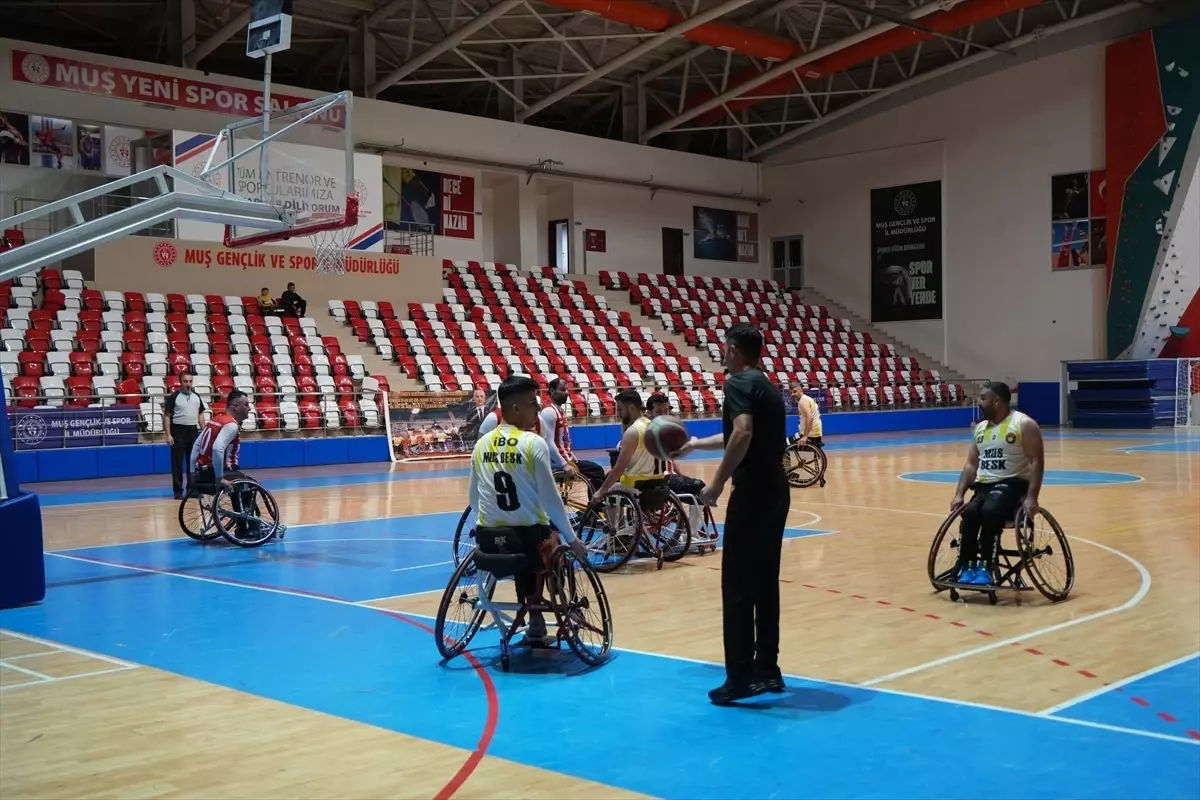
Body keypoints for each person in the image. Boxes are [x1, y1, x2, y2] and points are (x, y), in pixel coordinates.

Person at [674, 323, 789, 705]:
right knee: (764, 582)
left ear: (735, 350)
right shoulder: (768, 386)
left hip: (752, 493)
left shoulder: (737, 383)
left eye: (725, 348)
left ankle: (739, 677)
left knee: (737, 587)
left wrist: (718, 483)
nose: (722, 354)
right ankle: (767, 670)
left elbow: (742, 432)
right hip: (776, 491)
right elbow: (739, 434)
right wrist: (695, 444)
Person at [468, 376, 589, 646]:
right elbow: (551, 500)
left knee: (525, 549)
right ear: (515, 408)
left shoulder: (480, 445)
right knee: (554, 544)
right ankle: (558, 614)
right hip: (529, 537)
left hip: (488, 540)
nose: (537, 409)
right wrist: (573, 539)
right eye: (532, 403)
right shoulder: (533, 444)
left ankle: (533, 619)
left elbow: (474, 502)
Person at [950, 381, 1044, 586]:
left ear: (997, 401)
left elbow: (1037, 462)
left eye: (983, 398)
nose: (979, 402)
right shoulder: (980, 429)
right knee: (971, 513)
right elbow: (970, 465)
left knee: (991, 510)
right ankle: (967, 564)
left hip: (1012, 484)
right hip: (984, 486)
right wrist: (959, 494)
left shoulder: (1023, 424)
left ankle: (986, 565)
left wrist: (1032, 497)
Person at [190, 390, 255, 539]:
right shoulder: (231, 425)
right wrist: (219, 479)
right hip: (217, 471)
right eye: (246, 405)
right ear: (235, 407)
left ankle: (243, 524)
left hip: (203, 471)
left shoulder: (216, 419)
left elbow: (196, 445)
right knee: (250, 485)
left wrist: (192, 473)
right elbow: (217, 448)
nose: (249, 408)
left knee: (240, 482)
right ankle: (245, 528)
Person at [592, 389, 668, 503]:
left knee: (605, 493)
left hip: (636, 485)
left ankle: (613, 521)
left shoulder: (634, 431)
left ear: (631, 408)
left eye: (621, 409)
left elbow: (619, 467)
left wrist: (602, 490)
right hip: (659, 481)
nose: (619, 414)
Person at [541, 378, 605, 492]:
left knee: (595, 470)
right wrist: (564, 464)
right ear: (552, 391)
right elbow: (548, 442)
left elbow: (563, 441)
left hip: (566, 459)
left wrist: (572, 456)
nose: (566, 393)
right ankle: (594, 506)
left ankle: (593, 506)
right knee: (597, 471)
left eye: (567, 389)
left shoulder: (559, 410)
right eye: (562, 390)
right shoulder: (549, 412)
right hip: (557, 463)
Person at [164, 371, 207, 500]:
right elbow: (167, 416)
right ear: (180, 382)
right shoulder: (174, 397)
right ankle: (177, 491)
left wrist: (204, 431)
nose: (188, 384)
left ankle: (192, 489)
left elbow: (200, 414)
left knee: (192, 463)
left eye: (190, 381)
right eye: (185, 381)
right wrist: (168, 434)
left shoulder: (196, 397)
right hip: (178, 431)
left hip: (192, 431)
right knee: (177, 464)